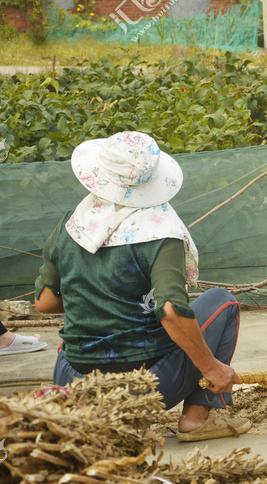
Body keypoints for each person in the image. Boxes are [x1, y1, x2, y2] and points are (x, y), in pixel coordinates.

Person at [33, 131, 251, 441]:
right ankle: (199, 416)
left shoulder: (72, 225)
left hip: (73, 382)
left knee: (73, 342)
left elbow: (45, 303)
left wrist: (95, 294)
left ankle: (90, 410)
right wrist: (214, 369)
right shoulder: (161, 233)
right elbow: (171, 312)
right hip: (147, 387)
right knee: (222, 302)